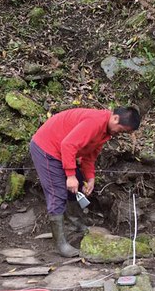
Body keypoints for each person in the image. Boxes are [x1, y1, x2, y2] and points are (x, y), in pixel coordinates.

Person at [29, 106, 142, 257]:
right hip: (46, 149)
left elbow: (89, 156)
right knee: (58, 193)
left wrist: (90, 178)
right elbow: (68, 145)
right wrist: (70, 176)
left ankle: (76, 223)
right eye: (121, 130)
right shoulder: (94, 122)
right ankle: (61, 244)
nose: (119, 134)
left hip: (61, 151)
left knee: (77, 184)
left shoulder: (106, 131)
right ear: (115, 118)